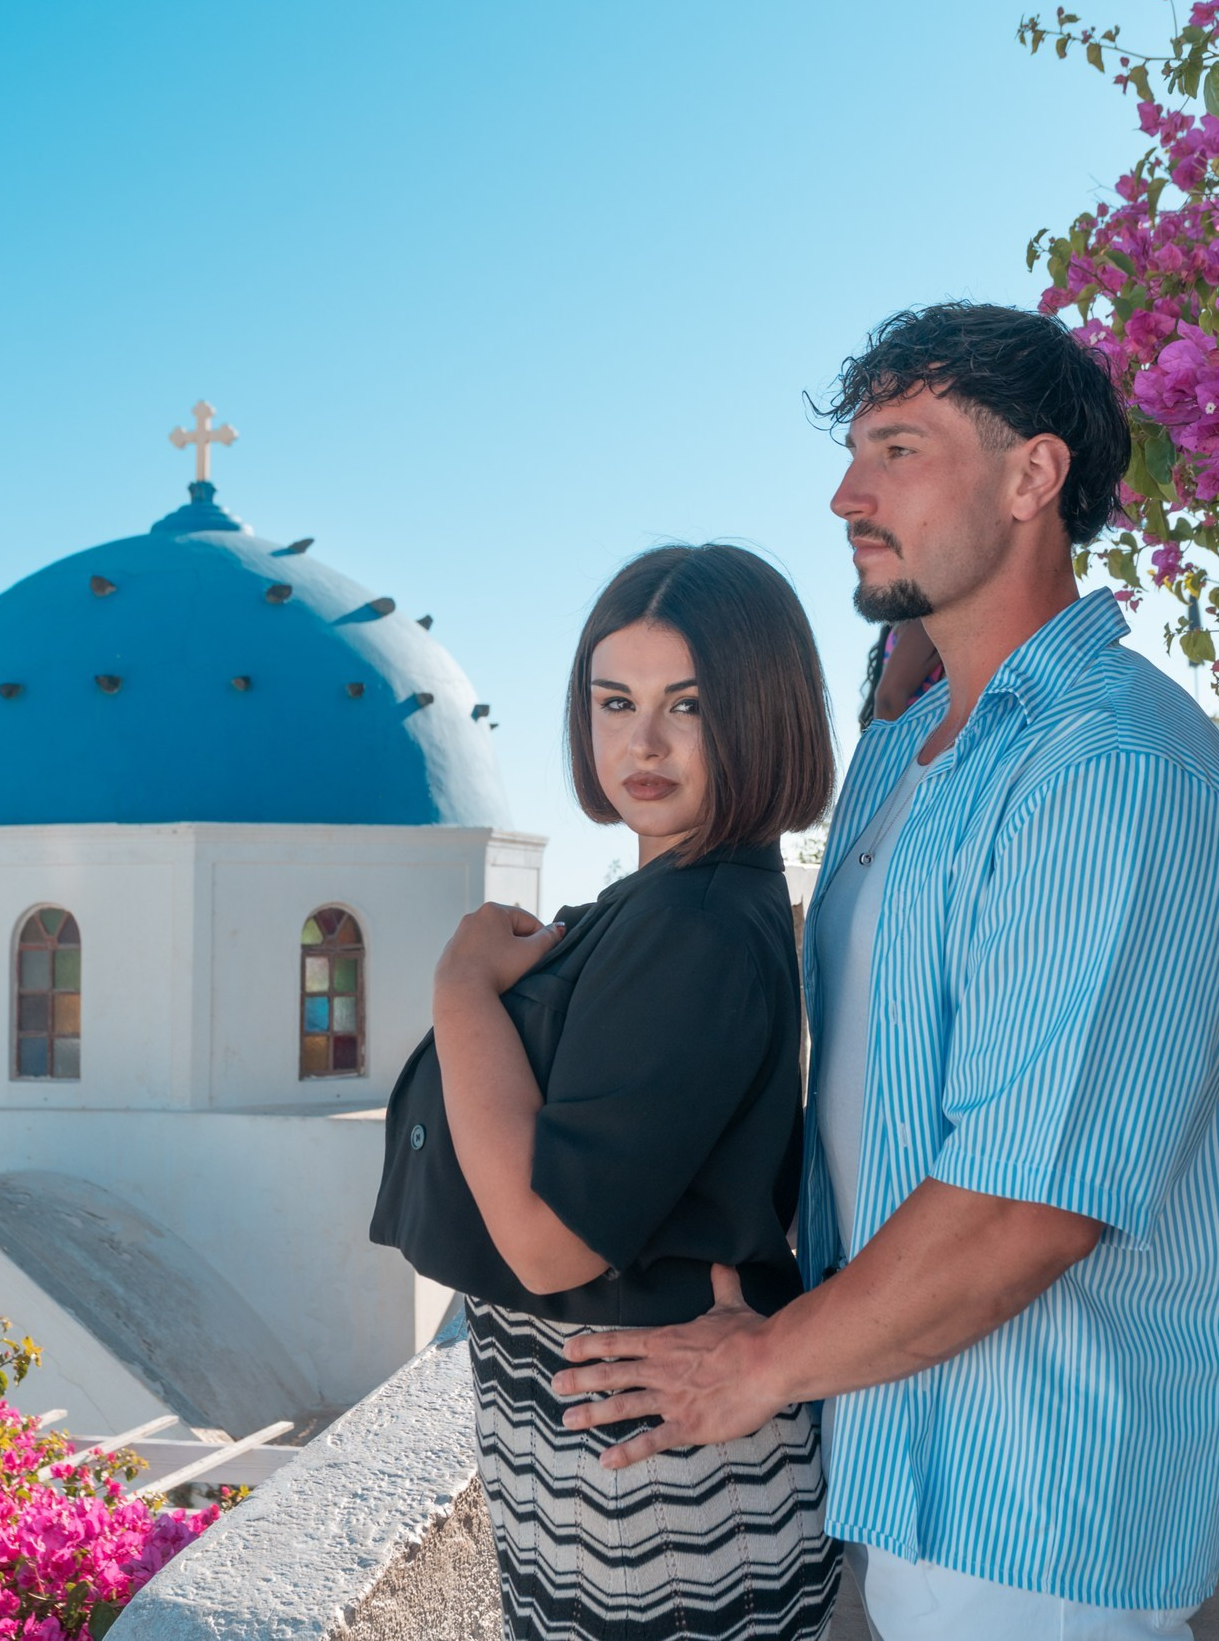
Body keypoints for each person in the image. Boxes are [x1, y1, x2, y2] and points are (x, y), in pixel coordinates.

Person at [552, 303, 1219, 1641]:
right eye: (851, 450)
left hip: (1041, 1499)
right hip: (921, 1456)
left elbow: (1028, 1203)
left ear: (1032, 475)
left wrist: (760, 1365)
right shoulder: (927, 753)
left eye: (897, 448)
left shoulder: (1104, 774)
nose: (844, 491)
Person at [369, 543, 842, 1641]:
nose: (643, 742)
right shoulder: (663, 900)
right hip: (600, 1444)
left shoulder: (694, 926)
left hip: (646, 1485)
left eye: (690, 705)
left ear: (763, 713)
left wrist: (461, 987)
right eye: (613, 700)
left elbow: (548, 1245)